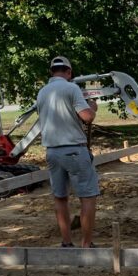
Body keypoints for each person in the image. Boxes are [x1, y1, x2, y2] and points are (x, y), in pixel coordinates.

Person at [36, 55, 99, 248]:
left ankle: (66, 242)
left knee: (60, 197)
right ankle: (86, 244)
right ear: (69, 72)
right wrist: (93, 107)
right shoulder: (72, 88)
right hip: (73, 150)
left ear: (52, 72)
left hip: (52, 152)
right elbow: (87, 117)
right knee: (87, 197)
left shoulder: (42, 92)